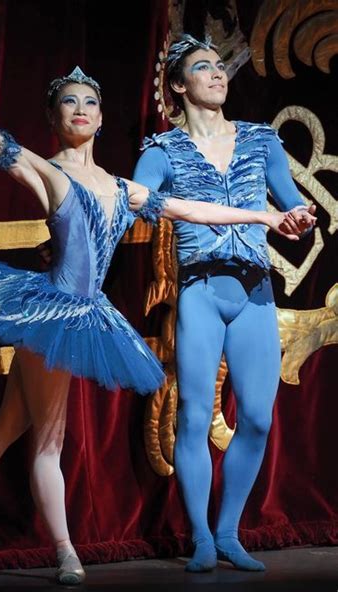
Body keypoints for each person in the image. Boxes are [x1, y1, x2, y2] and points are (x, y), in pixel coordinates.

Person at [0, 16, 314, 585]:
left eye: (89, 102)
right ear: (53, 117)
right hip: (53, 312)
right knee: (47, 435)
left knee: (12, 420)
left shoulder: (125, 189)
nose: (80, 109)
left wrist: (267, 214)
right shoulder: (47, 172)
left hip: (90, 313)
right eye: (68, 102)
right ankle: (66, 552)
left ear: (101, 117)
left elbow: (194, 209)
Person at [133, 34, 316, 573]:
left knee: (257, 418)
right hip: (201, 294)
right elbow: (140, 200)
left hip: (255, 292)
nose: (217, 74)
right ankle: (202, 539)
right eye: (203, 68)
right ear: (178, 84)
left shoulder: (261, 141)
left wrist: (299, 215)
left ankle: (229, 531)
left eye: (219, 66)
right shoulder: (163, 150)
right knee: (192, 417)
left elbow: (289, 199)